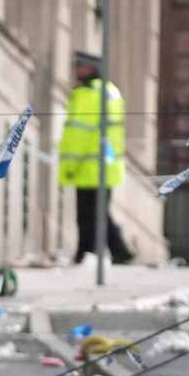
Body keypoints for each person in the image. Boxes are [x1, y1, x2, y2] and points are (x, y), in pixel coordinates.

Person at [57, 52, 133, 266]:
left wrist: (70, 164)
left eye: (79, 66)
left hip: (88, 166)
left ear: (89, 68)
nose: (75, 71)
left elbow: (81, 134)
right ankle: (109, 251)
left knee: (88, 214)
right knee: (99, 213)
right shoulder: (110, 91)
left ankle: (94, 251)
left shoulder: (88, 93)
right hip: (105, 165)